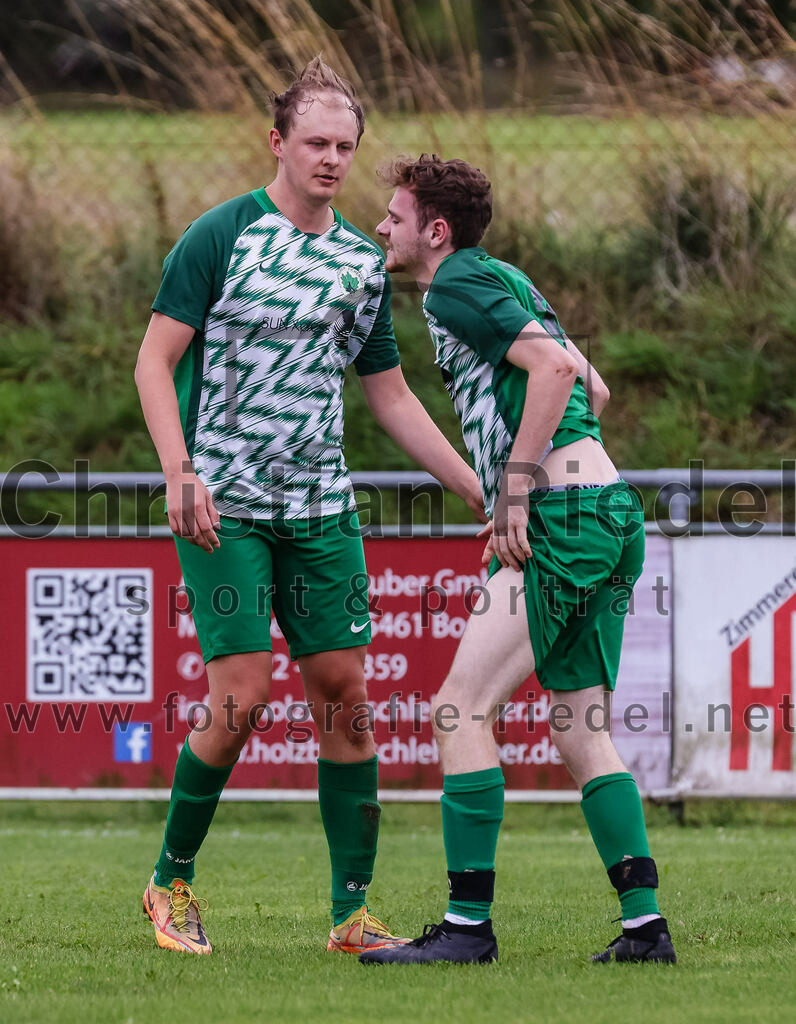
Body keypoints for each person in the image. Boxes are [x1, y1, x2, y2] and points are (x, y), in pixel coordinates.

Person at [134, 69, 483, 956]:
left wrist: (476, 483)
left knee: (347, 699)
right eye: (316, 142)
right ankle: (170, 881)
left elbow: (392, 398)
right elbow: (152, 363)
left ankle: (351, 915)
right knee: (242, 694)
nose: (331, 159)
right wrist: (181, 474)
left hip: (321, 509)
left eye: (344, 147)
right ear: (278, 143)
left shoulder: (362, 263)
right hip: (227, 506)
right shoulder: (220, 235)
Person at [361, 154, 676, 966]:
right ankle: (644, 928)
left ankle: (468, 930)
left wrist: (514, 491)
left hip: (564, 516)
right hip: (608, 510)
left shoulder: (454, 285)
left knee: (459, 709)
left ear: (435, 230)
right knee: (579, 724)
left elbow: (560, 370)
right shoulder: (507, 277)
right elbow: (594, 392)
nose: (381, 227)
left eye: (393, 217)